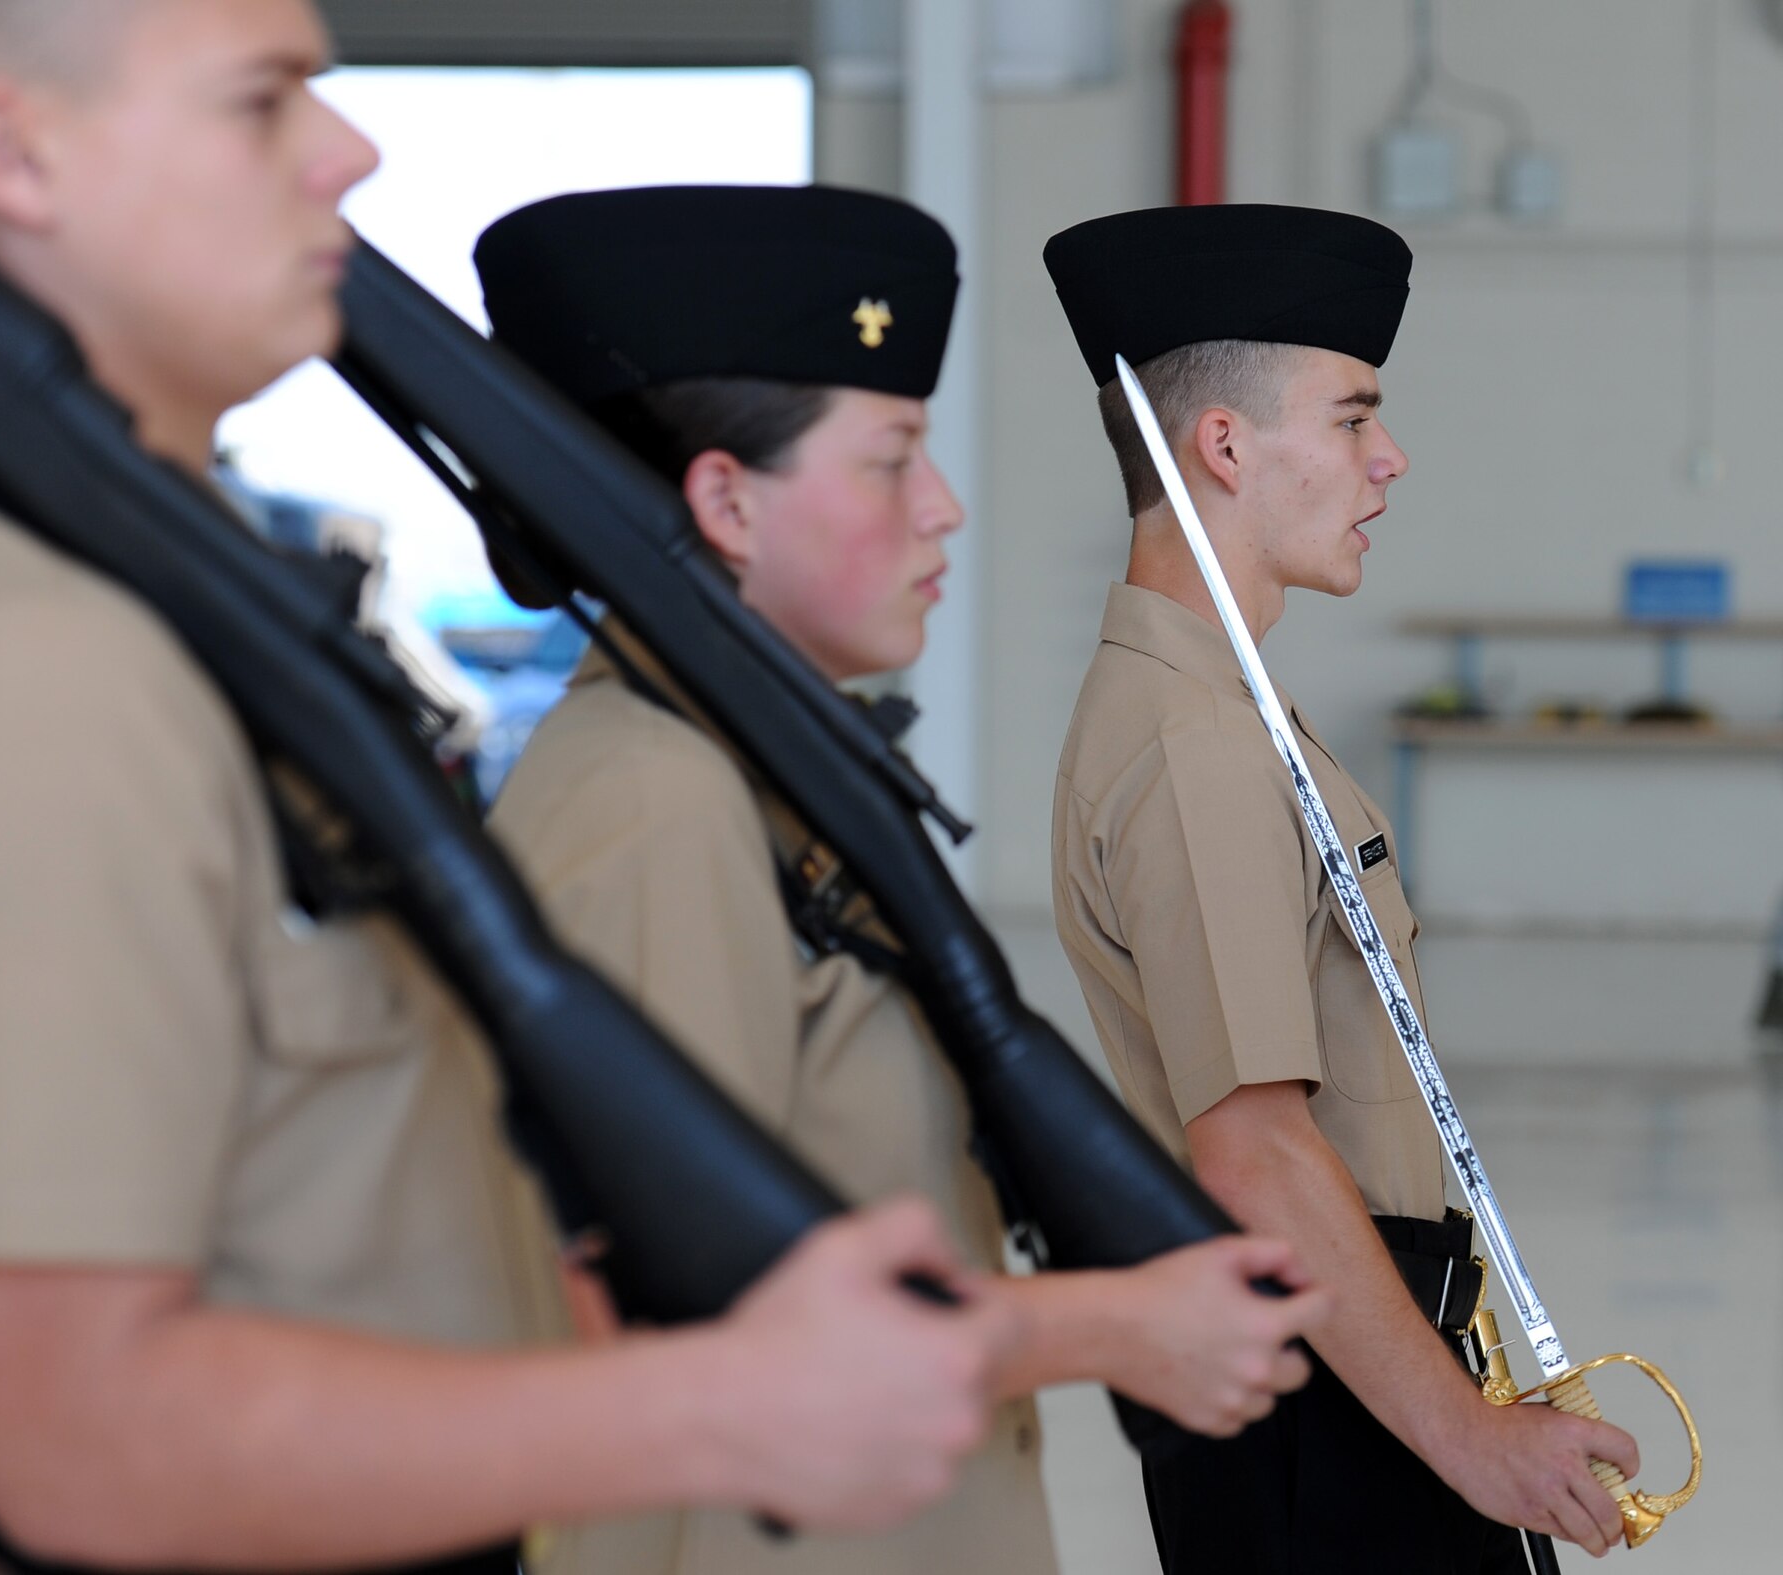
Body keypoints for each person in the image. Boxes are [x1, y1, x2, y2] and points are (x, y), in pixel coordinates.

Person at [0, 4, 1028, 1571]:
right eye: (262, 102)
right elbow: (82, 1435)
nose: (352, 151)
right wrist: (716, 1407)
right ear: (16, 154)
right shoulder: (33, 668)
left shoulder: (173, 616)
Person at [477, 184, 1330, 1575]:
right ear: (727, 501)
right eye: (890, 461)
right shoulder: (661, 804)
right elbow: (671, 1332)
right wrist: (1110, 1329)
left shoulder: (762, 780)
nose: (945, 510)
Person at [1043, 202, 1641, 1572]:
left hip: (1348, 1349)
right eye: (1354, 418)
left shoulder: (1222, 707)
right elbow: (1252, 1148)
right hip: (1322, 1399)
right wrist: (1467, 1437)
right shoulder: (1193, 741)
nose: (1389, 459)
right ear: (1228, 445)